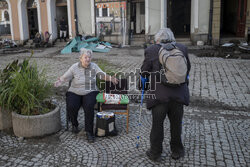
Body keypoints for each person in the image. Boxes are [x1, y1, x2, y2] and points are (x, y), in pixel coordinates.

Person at [140, 28, 191, 161]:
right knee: (176, 124)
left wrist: (143, 86)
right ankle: (177, 151)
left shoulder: (151, 50)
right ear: (172, 38)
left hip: (159, 96)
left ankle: (155, 153)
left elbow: (144, 72)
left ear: (157, 40)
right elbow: (187, 68)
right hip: (179, 94)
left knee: (157, 125)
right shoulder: (182, 48)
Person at [54, 48, 118, 143]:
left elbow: (102, 75)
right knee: (71, 105)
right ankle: (74, 124)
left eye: (89, 57)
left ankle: (89, 132)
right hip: (75, 91)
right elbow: (66, 76)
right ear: (80, 58)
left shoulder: (94, 66)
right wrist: (60, 81)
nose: (88, 59)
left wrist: (111, 78)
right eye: (85, 57)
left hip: (90, 91)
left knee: (88, 106)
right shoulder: (74, 67)